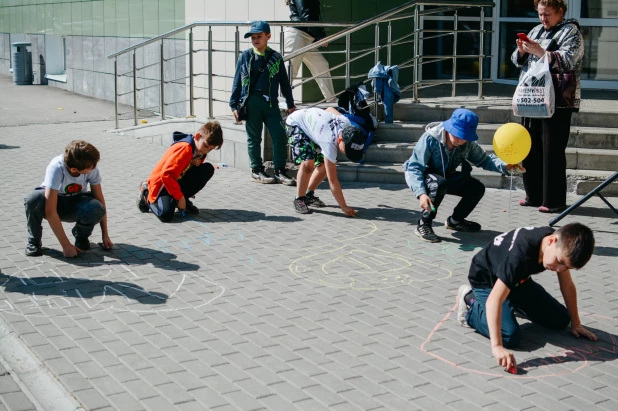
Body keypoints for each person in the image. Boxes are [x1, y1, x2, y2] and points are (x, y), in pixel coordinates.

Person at [457, 223, 597, 373]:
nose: (560, 269)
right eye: (560, 262)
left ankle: (512, 303)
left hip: (516, 281)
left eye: (566, 267)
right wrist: (497, 347)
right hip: (487, 282)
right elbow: (494, 300)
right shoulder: (519, 255)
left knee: (561, 320)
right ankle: (469, 303)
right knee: (509, 336)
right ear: (551, 241)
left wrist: (576, 323)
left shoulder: (558, 244)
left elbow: (567, 286)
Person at [403, 109, 523, 243]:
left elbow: (484, 160)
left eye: (465, 137)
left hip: (446, 176)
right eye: (458, 135)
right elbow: (414, 168)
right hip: (424, 177)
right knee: (439, 183)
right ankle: (423, 224)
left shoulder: (467, 143)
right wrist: (421, 194)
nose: (461, 140)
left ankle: (455, 221)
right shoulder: (430, 138)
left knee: (477, 188)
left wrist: (506, 165)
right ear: (449, 129)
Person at [511, 0, 584, 213]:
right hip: (532, 97)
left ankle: (553, 201)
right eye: (540, 14)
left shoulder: (571, 31)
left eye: (548, 14)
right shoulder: (536, 30)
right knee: (530, 147)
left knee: (552, 149)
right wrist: (522, 51)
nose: (543, 19)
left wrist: (541, 51)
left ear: (560, 12)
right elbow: (517, 61)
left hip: (558, 99)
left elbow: (569, 60)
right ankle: (533, 195)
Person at [230, 20, 297, 185]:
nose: (255, 39)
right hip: (251, 102)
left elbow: (284, 82)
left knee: (280, 134)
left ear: (268, 36)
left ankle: (280, 170)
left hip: (272, 104)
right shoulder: (245, 56)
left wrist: (290, 104)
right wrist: (233, 105)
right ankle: (256, 170)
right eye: (253, 37)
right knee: (254, 138)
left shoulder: (275, 58)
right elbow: (237, 81)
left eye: (259, 36)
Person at [24, 140, 112, 257]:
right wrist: (66, 246)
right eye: (92, 167)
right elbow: (50, 212)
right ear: (74, 169)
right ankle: (34, 242)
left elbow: (100, 200)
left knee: (96, 207)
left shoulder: (91, 168)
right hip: (54, 203)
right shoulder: (56, 167)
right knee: (33, 199)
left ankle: (80, 237)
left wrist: (105, 234)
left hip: (75, 202)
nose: (94, 168)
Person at [285, 107, 367, 216]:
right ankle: (299, 199)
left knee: (324, 165)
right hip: (296, 123)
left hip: (314, 127)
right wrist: (343, 206)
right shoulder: (328, 141)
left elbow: (330, 108)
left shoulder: (346, 123)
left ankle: (308, 195)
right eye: (347, 150)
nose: (347, 154)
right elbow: (332, 180)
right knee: (308, 163)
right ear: (340, 140)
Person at [137, 122, 223, 222]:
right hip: (162, 184)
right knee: (165, 215)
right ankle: (146, 194)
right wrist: (179, 197)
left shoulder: (199, 151)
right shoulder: (185, 148)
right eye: (206, 146)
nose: (207, 151)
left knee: (207, 169)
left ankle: (181, 199)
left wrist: (198, 163)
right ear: (198, 136)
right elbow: (166, 175)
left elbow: (187, 171)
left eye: (210, 149)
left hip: (175, 181)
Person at [284, 0, 336, 101]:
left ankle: (331, 100)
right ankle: (279, 101)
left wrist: (319, 35)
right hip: (297, 34)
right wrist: (320, 36)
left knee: (321, 65)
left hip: (307, 35)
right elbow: (306, 14)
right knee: (290, 71)